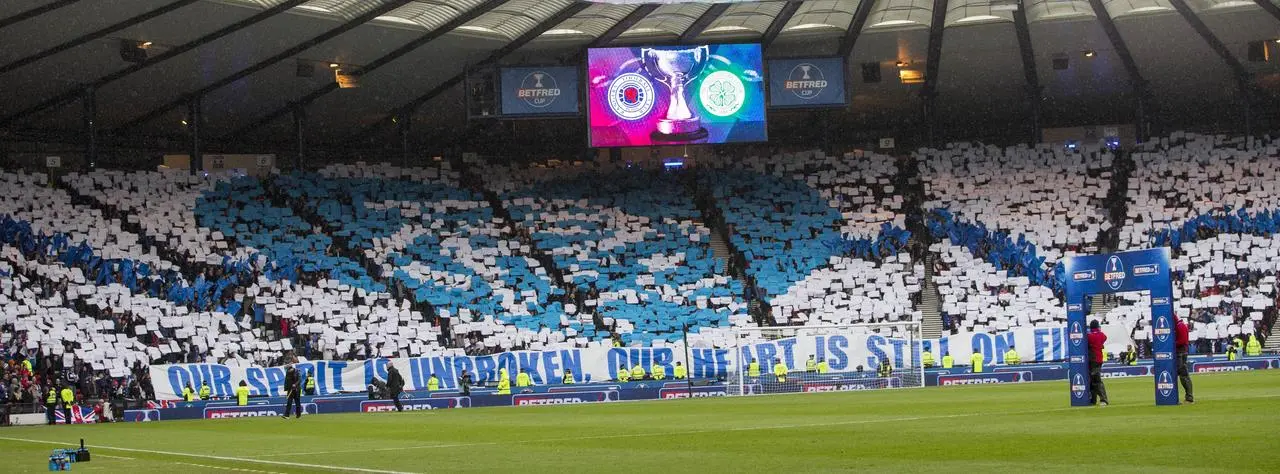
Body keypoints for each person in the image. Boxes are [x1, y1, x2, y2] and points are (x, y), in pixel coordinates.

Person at [1087, 320, 1109, 406]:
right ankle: (1093, 400)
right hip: (1098, 359)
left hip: (1093, 360)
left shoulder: (1089, 336)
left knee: (1096, 380)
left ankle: (1104, 400)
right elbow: (1104, 338)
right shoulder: (1102, 335)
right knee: (1093, 380)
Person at [1175, 317, 1194, 404]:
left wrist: (1170, 344)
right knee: (1183, 375)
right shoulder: (1180, 325)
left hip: (1181, 353)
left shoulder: (1180, 326)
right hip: (1181, 352)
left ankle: (1189, 398)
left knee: (1184, 375)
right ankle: (1188, 397)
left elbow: (1182, 341)